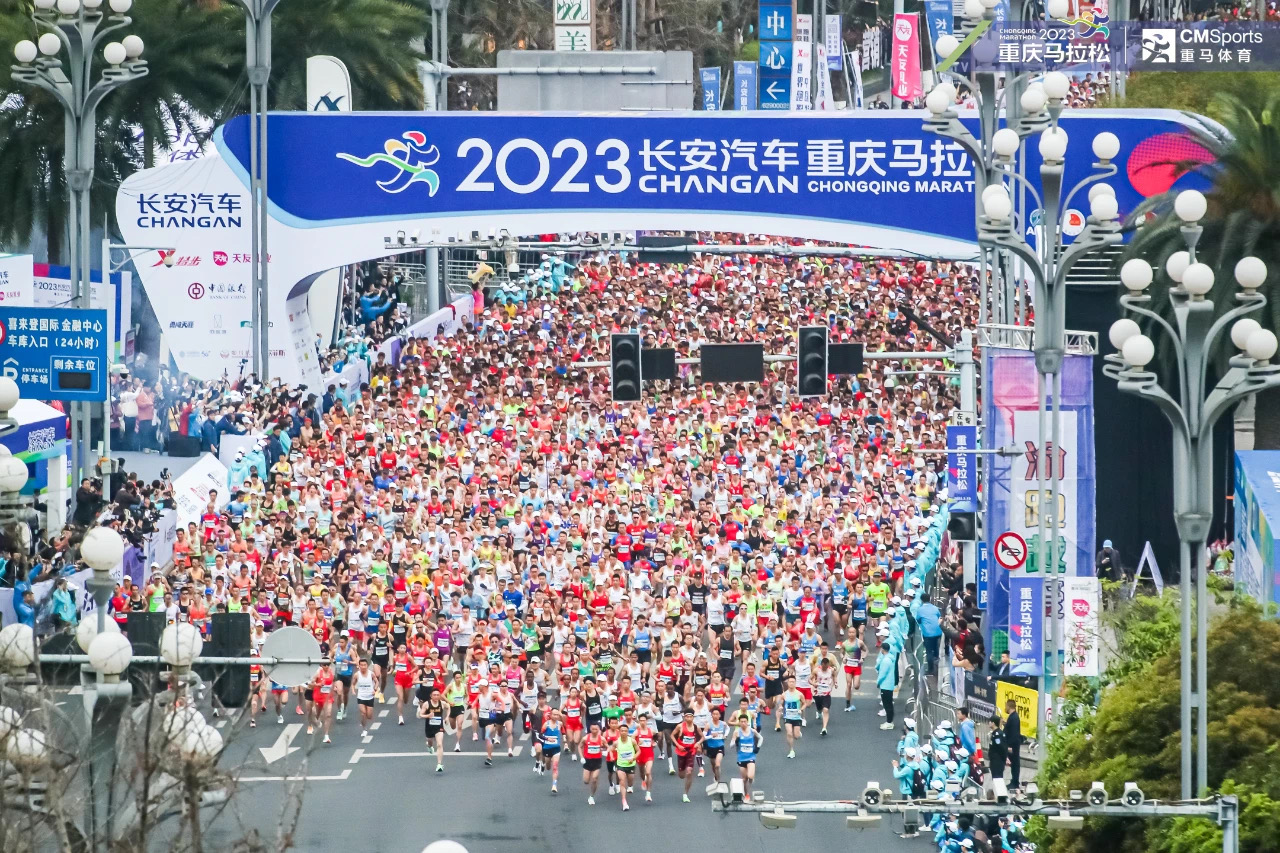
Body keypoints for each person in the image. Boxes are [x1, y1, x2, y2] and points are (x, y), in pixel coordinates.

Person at [418, 686, 448, 773]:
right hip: (429, 727)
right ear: (431, 696)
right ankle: (429, 746)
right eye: (434, 695)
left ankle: (439, 764)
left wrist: (447, 717)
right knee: (430, 742)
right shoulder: (426, 704)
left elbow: (449, 707)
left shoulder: (442, 703)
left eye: (438, 695)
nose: (436, 696)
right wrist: (428, 716)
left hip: (439, 727)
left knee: (439, 744)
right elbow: (421, 714)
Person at [1003, 699, 1023, 791]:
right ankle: (1013, 781)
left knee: (1015, 764)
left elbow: (1014, 733)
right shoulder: (1012, 717)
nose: (1005, 708)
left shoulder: (1014, 718)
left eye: (1006, 706)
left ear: (1009, 706)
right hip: (1012, 744)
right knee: (1014, 764)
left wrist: (1010, 746)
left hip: (1013, 745)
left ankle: (1015, 782)